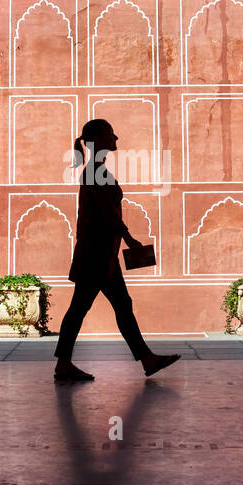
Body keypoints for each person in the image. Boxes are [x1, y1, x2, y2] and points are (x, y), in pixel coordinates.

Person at [54, 118, 180, 383]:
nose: (116, 138)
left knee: (113, 306)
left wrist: (124, 239)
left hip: (101, 254)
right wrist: (129, 238)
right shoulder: (95, 172)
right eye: (111, 133)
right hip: (96, 255)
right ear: (99, 139)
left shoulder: (95, 170)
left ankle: (146, 359)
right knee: (84, 308)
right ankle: (64, 365)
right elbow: (107, 215)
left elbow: (107, 214)